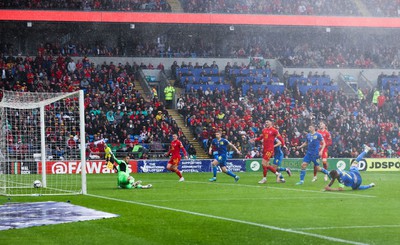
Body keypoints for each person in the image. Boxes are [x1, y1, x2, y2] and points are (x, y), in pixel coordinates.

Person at [250, 120, 283, 184]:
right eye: (266, 122)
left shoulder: (274, 130)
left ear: (271, 123)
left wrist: (283, 144)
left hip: (270, 149)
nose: (266, 123)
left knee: (263, 163)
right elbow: (261, 137)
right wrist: (255, 139)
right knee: (266, 165)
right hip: (264, 149)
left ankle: (264, 178)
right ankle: (277, 174)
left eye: (267, 122)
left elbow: (280, 138)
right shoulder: (264, 130)